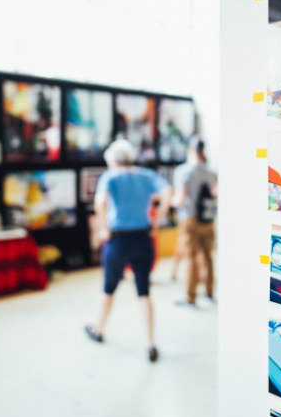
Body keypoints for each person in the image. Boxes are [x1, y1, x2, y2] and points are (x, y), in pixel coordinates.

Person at [85, 139, 172, 362]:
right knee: (143, 291)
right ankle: (151, 344)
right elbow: (168, 192)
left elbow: (100, 202)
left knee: (109, 288)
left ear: (113, 160)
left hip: (118, 240)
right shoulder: (146, 175)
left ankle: (99, 329)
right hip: (143, 238)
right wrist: (157, 219)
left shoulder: (111, 176)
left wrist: (105, 227)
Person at [172, 136, 218, 306]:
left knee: (191, 258)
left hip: (189, 219)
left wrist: (171, 201)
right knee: (208, 256)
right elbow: (216, 197)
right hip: (208, 219)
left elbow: (180, 198)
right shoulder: (212, 172)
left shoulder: (183, 171)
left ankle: (190, 297)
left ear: (190, 151)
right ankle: (209, 292)